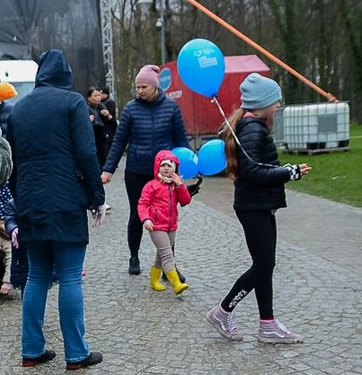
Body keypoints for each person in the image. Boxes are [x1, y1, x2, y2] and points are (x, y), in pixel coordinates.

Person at [7, 49, 105, 370]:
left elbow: (12, 163)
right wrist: (96, 197)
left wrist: (18, 200)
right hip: (65, 200)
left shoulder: (19, 109)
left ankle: (31, 350)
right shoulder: (73, 102)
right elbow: (87, 154)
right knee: (69, 277)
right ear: (66, 75)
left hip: (30, 202)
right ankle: (76, 353)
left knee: (36, 276)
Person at [206, 73, 311, 343]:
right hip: (252, 206)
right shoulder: (252, 129)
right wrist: (288, 173)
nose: (278, 106)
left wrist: (275, 198)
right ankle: (222, 311)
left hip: (259, 205)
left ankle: (268, 325)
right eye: (275, 101)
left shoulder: (252, 127)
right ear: (262, 103)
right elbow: (252, 171)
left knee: (264, 265)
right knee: (263, 266)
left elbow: (257, 167)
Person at [102, 65, 189, 275]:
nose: (139, 90)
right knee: (137, 215)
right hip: (136, 171)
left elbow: (182, 141)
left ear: (154, 87)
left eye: (143, 86)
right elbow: (119, 142)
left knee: (167, 218)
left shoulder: (171, 108)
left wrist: (183, 170)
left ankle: (169, 267)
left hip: (165, 174)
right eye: (137, 87)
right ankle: (134, 255)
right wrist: (108, 169)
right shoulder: (131, 108)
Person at [138, 150, 192, 294]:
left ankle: (154, 280)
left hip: (171, 226)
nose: (166, 168)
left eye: (170, 166)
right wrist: (146, 219)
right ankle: (176, 284)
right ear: (157, 167)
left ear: (174, 169)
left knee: (161, 255)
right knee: (167, 254)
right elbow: (142, 204)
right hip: (156, 226)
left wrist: (180, 185)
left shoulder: (175, 186)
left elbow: (185, 201)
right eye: (163, 165)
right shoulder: (151, 185)